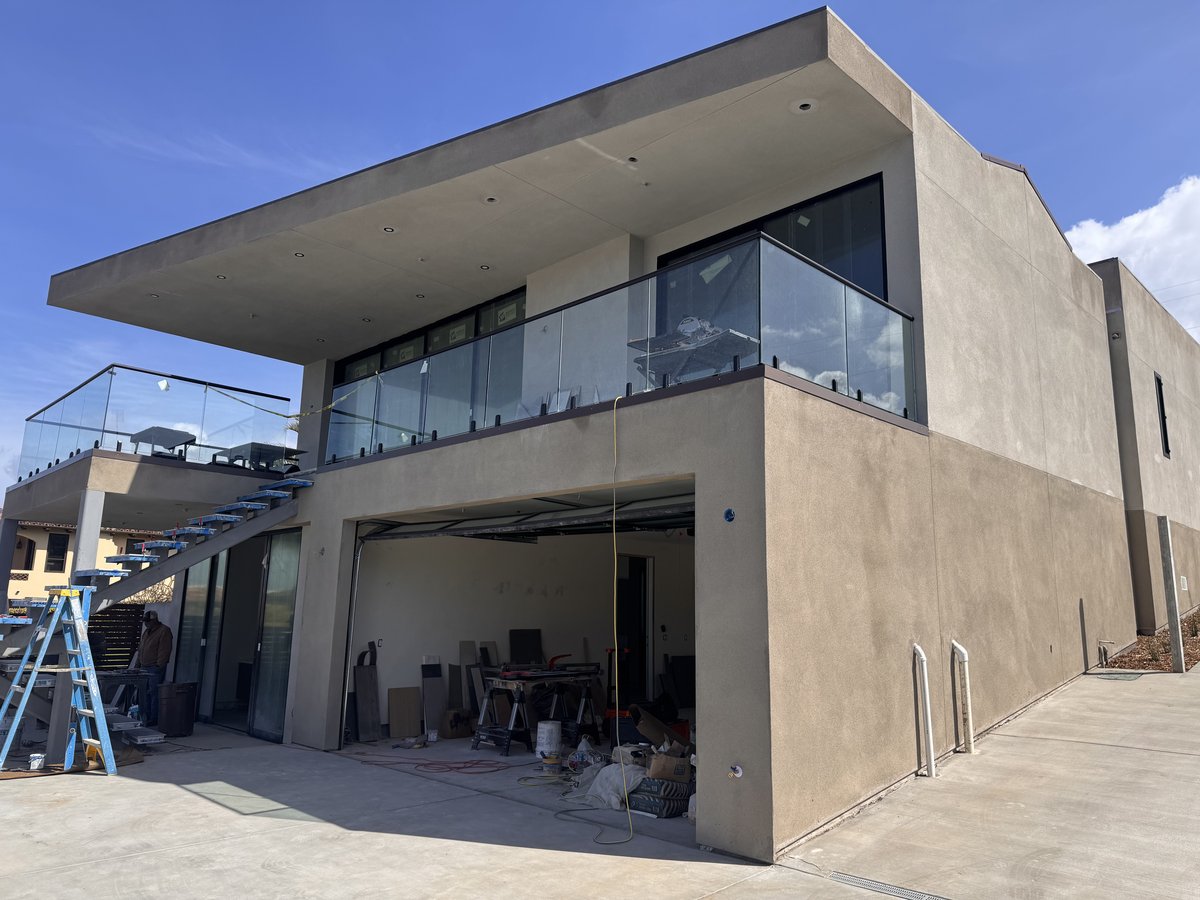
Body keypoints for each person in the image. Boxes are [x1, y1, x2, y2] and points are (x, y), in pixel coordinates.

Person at [139, 610, 173, 726]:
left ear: (154, 621)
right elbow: (141, 648)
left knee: (153, 693)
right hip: (145, 666)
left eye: (148, 622)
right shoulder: (147, 632)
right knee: (144, 693)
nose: (146, 624)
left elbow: (164, 650)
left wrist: (159, 665)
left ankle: (154, 718)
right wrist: (139, 664)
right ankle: (146, 716)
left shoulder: (164, 631)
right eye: (145, 622)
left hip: (154, 667)